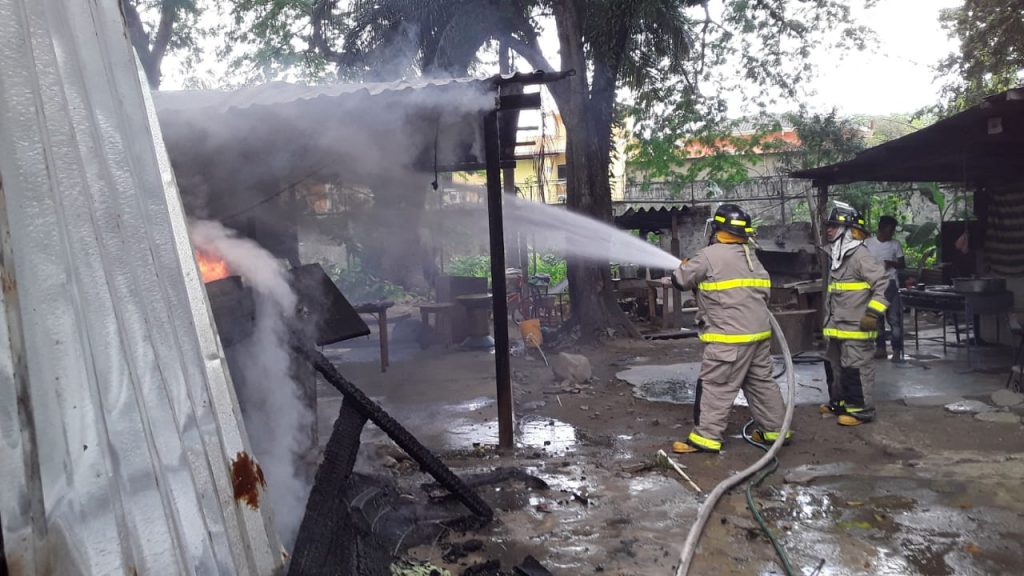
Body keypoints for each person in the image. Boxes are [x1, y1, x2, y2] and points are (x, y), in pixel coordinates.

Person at [665, 203, 789, 454]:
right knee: (761, 383)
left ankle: (706, 437)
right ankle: (776, 431)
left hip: (728, 338)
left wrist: (684, 265)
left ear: (717, 228)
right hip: (758, 336)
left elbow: (680, 280)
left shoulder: (709, 255)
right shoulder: (751, 256)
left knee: (715, 384)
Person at [821, 203, 889, 426]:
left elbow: (882, 284)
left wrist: (873, 313)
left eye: (834, 225)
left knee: (856, 368)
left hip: (856, 328)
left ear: (849, 229)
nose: (828, 230)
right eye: (828, 226)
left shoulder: (860, 256)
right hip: (838, 326)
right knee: (836, 367)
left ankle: (861, 410)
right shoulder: (839, 255)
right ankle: (839, 403)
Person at [863, 215, 905, 359]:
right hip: (874, 284)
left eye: (892, 231)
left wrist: (890, 263)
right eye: (890, 230)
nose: (892, 233)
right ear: (882, 229)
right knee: (877, 320)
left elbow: (902, 264)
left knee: (894, 319)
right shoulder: (868, 243)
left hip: (891, 284)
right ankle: (881, 349)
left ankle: (897, 350)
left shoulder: (895, 244)